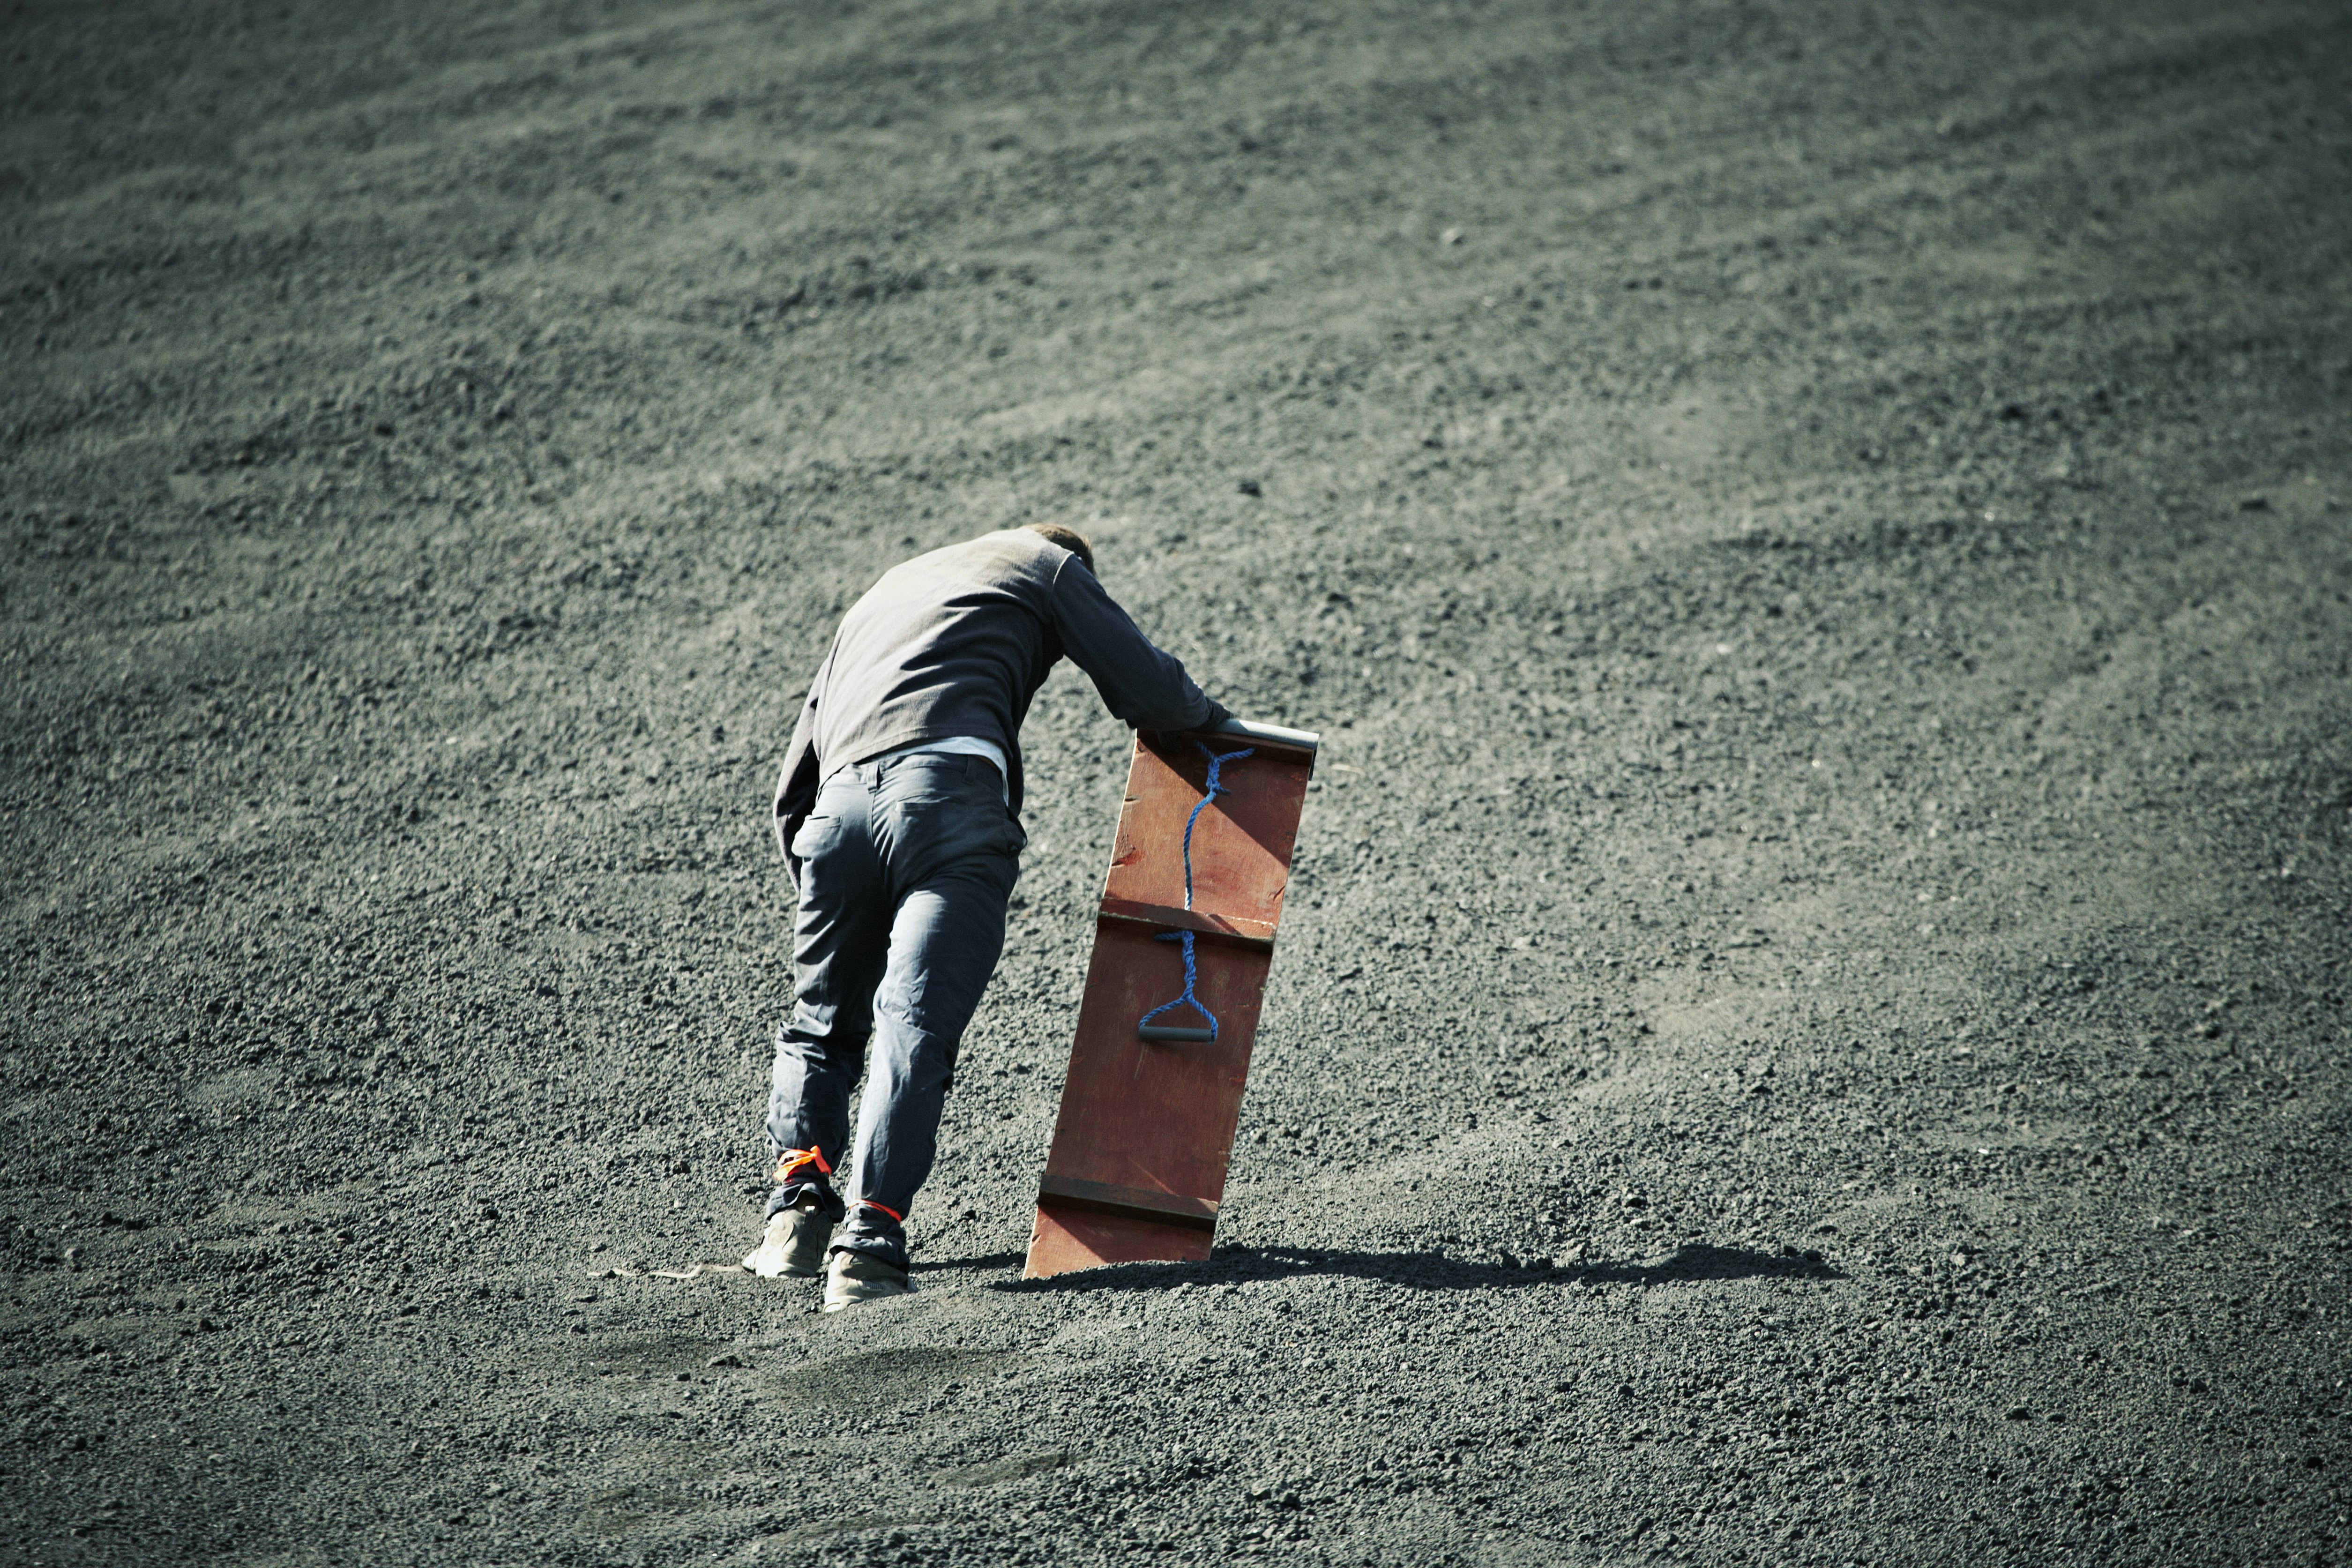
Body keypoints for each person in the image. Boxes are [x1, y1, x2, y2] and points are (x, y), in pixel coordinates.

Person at [746, 523, 1226, 1311]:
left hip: (835, 815)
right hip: (950, 803)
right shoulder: (1046, 565)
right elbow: (1146, 689)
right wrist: (1212, 722)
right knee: (913, 1023)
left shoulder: (884, 591)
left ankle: (794, 1218)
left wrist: (830, 890)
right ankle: (868, 1243)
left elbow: (791, 793)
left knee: (820, 1022)